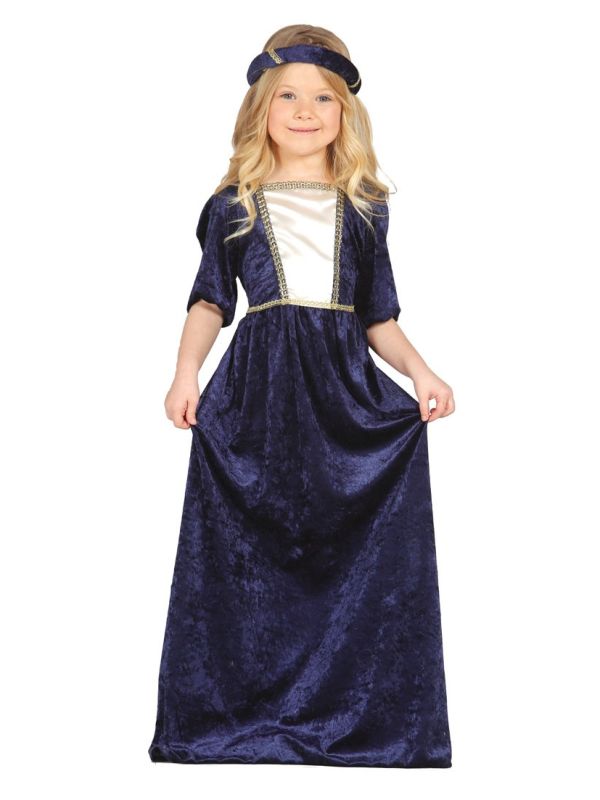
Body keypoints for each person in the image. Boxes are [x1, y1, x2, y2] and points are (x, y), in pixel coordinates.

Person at [148, 25, 455, 768]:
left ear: (346, 114)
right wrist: (186, 373)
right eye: (287, 96)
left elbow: (377, 318)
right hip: (257, 399)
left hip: (343, 397)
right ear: (261, 110)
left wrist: (422, 373)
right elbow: (210, 302)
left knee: (347, 548)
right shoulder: (235, 204)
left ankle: (357, 716)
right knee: (249, 552)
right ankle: (240, 712)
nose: (306, 110)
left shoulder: (365, 208)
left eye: (323, 98)